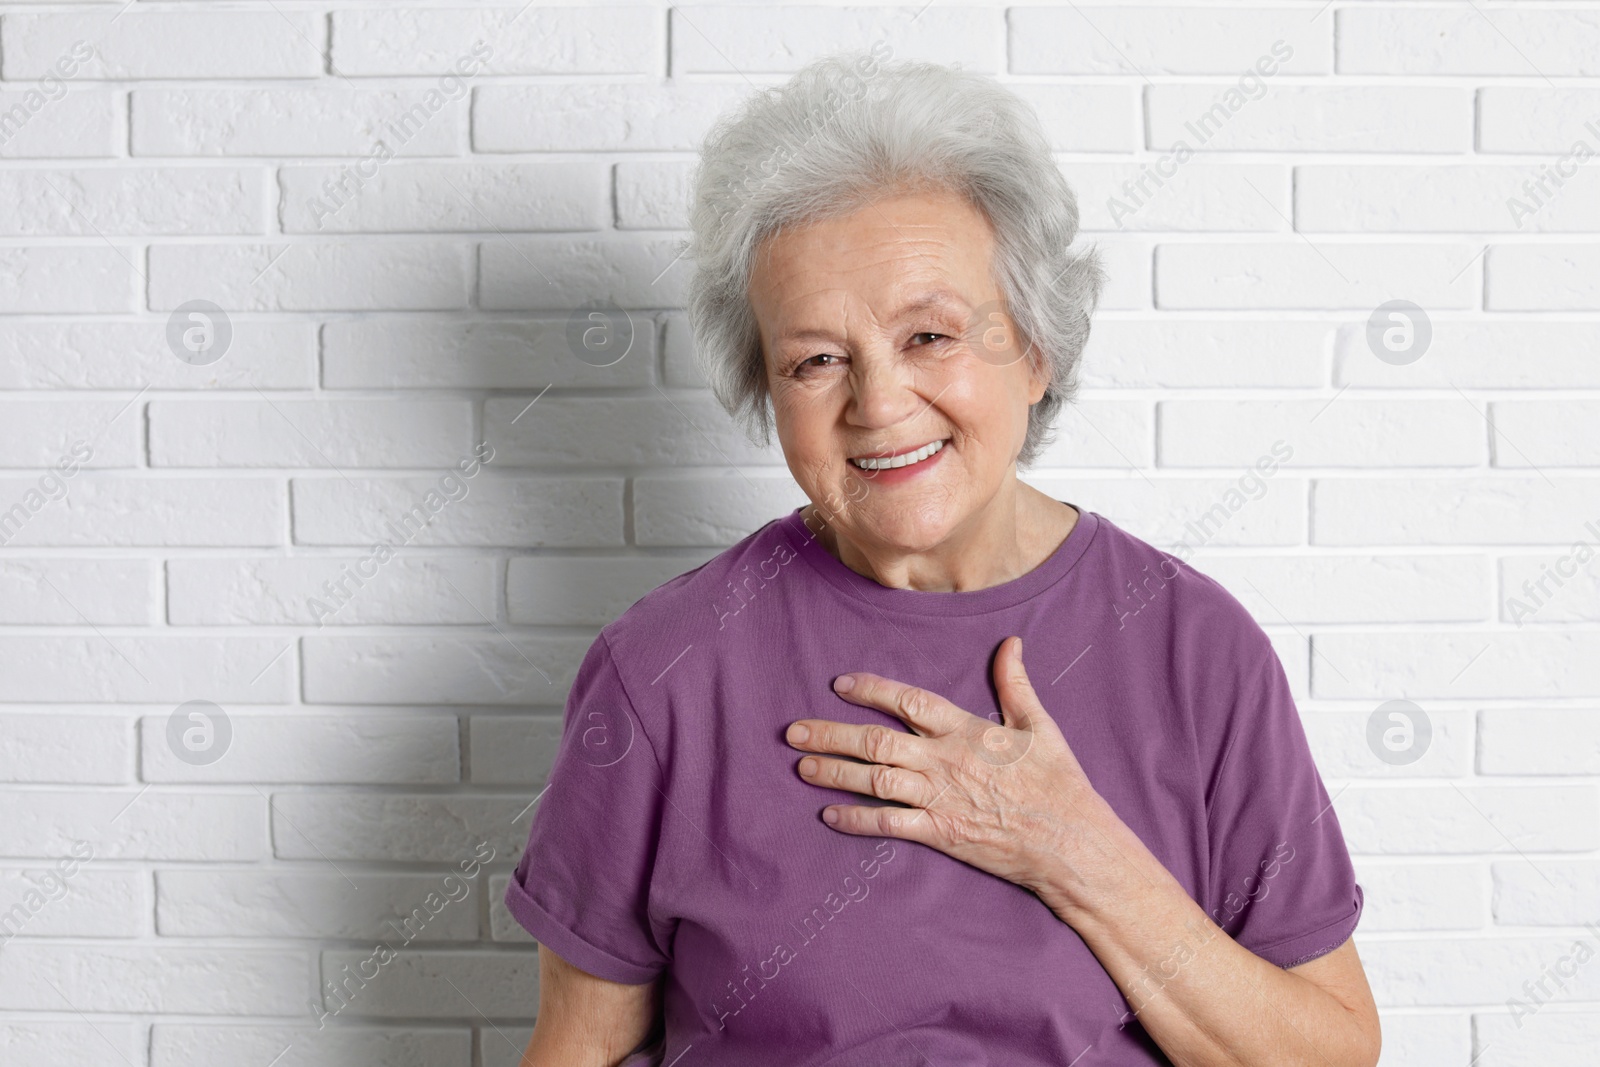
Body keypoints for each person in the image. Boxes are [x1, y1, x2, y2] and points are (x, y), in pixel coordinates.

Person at [505, 51, 1379, 1067]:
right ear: (766, 385)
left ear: (1037, 349)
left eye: (929, 335)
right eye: (816, 358)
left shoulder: (1195, 646)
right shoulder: (659, 672)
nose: (876, 404)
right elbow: (577, 1049)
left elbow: (1327, 1051)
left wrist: (1074, 852)